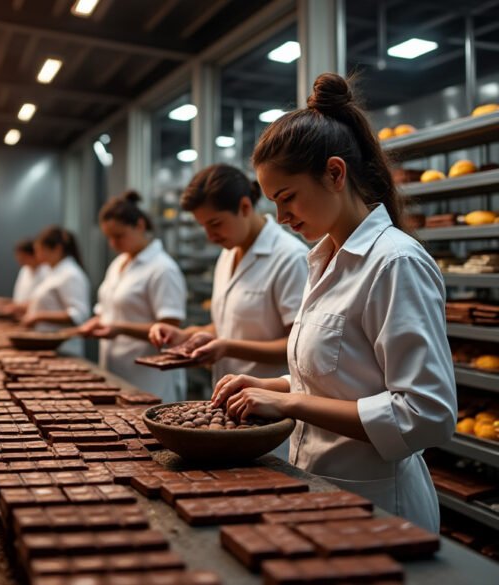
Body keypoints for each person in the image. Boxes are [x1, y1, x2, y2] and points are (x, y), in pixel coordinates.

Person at [212, 73, 456, 532]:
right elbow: (342, 377)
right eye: (273, 203)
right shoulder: (326, 260)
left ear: (336, 173)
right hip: (324, 492)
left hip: (381, 506)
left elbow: (426, 414)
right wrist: (272, 386)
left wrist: (292, 405)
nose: (281, 218)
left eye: (287, 198)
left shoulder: (394, 263)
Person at [149, 165, 308, 387]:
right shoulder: (227, 254)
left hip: (271, 401)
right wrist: (185, 336)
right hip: (229, 395)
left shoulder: (290, 258)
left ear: (244, 206)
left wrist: (227, 347)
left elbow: (300, 347)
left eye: (215, 224)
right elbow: (228, 326)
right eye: (203, 226)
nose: (210, 236)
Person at [79, 192, 187, 402]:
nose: (112, 243)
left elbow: (169, 331)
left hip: (149, 376)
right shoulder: (118, 264)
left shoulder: (163, 269)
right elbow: (107, 312)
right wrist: (95, 323)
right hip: (116, 370)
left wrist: (120, 328)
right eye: (108, 237)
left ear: (139, 225)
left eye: (118, 236)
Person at [19, 226, 91, 356]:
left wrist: (38, 316)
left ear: (57, 249)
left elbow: (78, 315)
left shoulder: (71, 275)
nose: (38, 256)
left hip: (64, 348)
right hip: (49, 345)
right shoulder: (52, 272)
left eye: (41, 250)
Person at [11, 238, 50, 304]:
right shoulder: (24, 270)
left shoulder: (47, 271)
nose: (18, 258)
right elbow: (19, 298)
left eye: (22, 256)